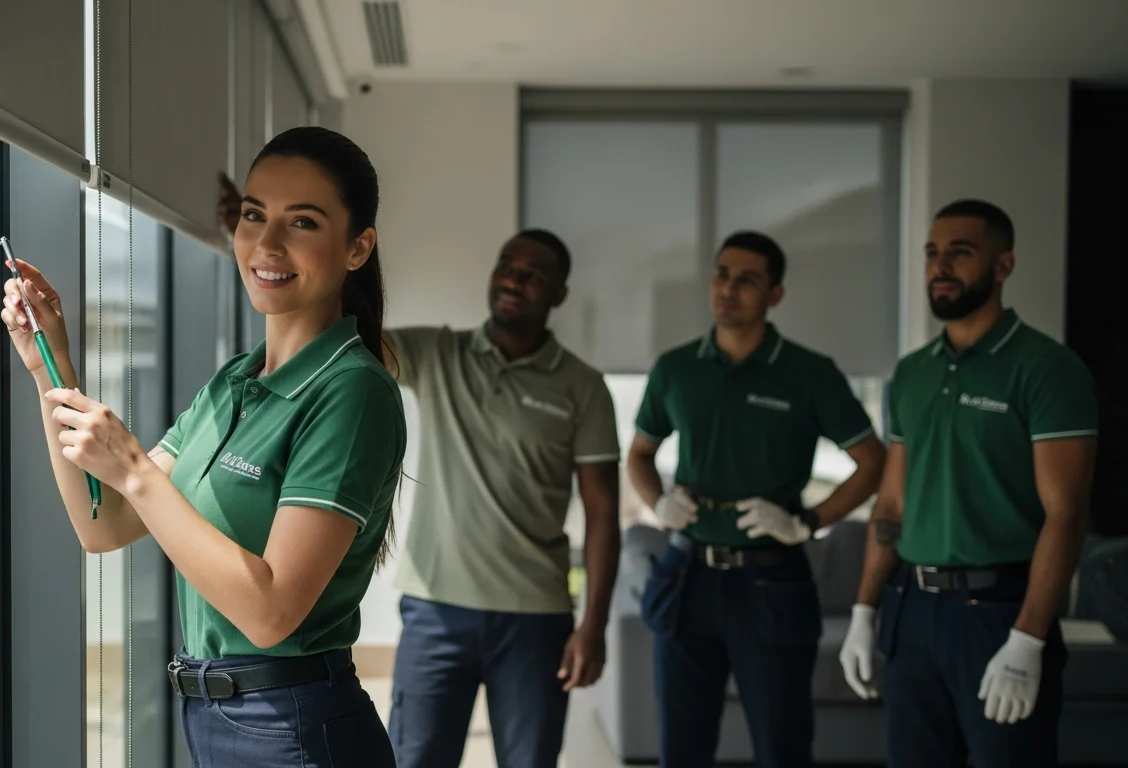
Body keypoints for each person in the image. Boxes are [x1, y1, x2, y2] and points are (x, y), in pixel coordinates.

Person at [5, 126, 403, 766]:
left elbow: (271, 613)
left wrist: (136, 470)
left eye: (301, 222)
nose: (266, 244)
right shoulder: (236, 381)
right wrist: (50, 365)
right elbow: (102, 525)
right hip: (218, 718)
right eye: (253, 215)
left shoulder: (351, 392)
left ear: (358, 248)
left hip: (292, 728)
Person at [221, 184, 620, 766]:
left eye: (532, 274)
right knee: (416, 759)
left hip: (535, 618)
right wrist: (265, 245)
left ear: (558, 292)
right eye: (507, 266)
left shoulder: (582, 386)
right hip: (435, 612)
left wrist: (594, 625)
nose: (513, 279)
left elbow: (604, 512)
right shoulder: (442, 353)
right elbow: (344, 334)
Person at [839, 199, 1098, 767]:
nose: (940, 266)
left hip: (998, 612)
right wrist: (864, 610)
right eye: (933, 252)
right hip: (911, 608)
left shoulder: (1046, 368)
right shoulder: (912, 373)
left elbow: (1068, 513)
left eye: (961, 252)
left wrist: (1028, 638)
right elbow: (892, 503)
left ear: (1002, 266)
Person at [627, 231, 886, 768]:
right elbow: (639, 455)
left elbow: (873, 462)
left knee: (782, 746)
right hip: (687, 576)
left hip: (771, 582)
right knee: (681, 748)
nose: (729, 289)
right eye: (722, 275)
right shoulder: (676, 368)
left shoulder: (809, 373)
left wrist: (808, 522)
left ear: (775, 294)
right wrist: (657, 503)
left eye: (747, 280)